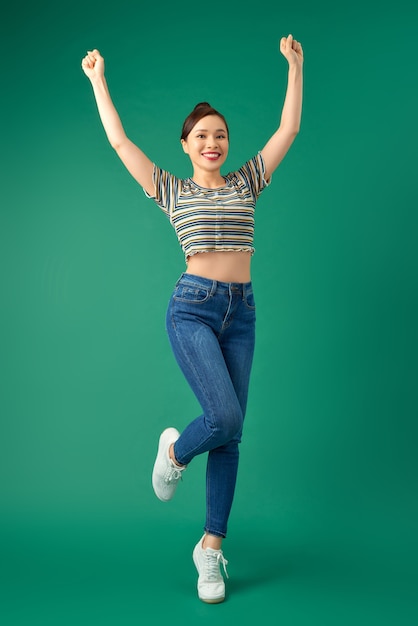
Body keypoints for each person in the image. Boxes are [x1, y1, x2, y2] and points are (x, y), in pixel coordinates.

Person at [81, 34, 303, 603]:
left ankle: (210, 550)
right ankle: (176, 452)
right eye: (202, 135)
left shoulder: (248, 182)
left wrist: (294, 69)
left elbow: (288, 132)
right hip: (193, 309)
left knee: (231, 436)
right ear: (185, 144)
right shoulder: (172, 190)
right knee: (223, 414)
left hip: (243, 313)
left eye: (221, 135)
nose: (213, 142)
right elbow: (119, 141)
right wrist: (98, 80)